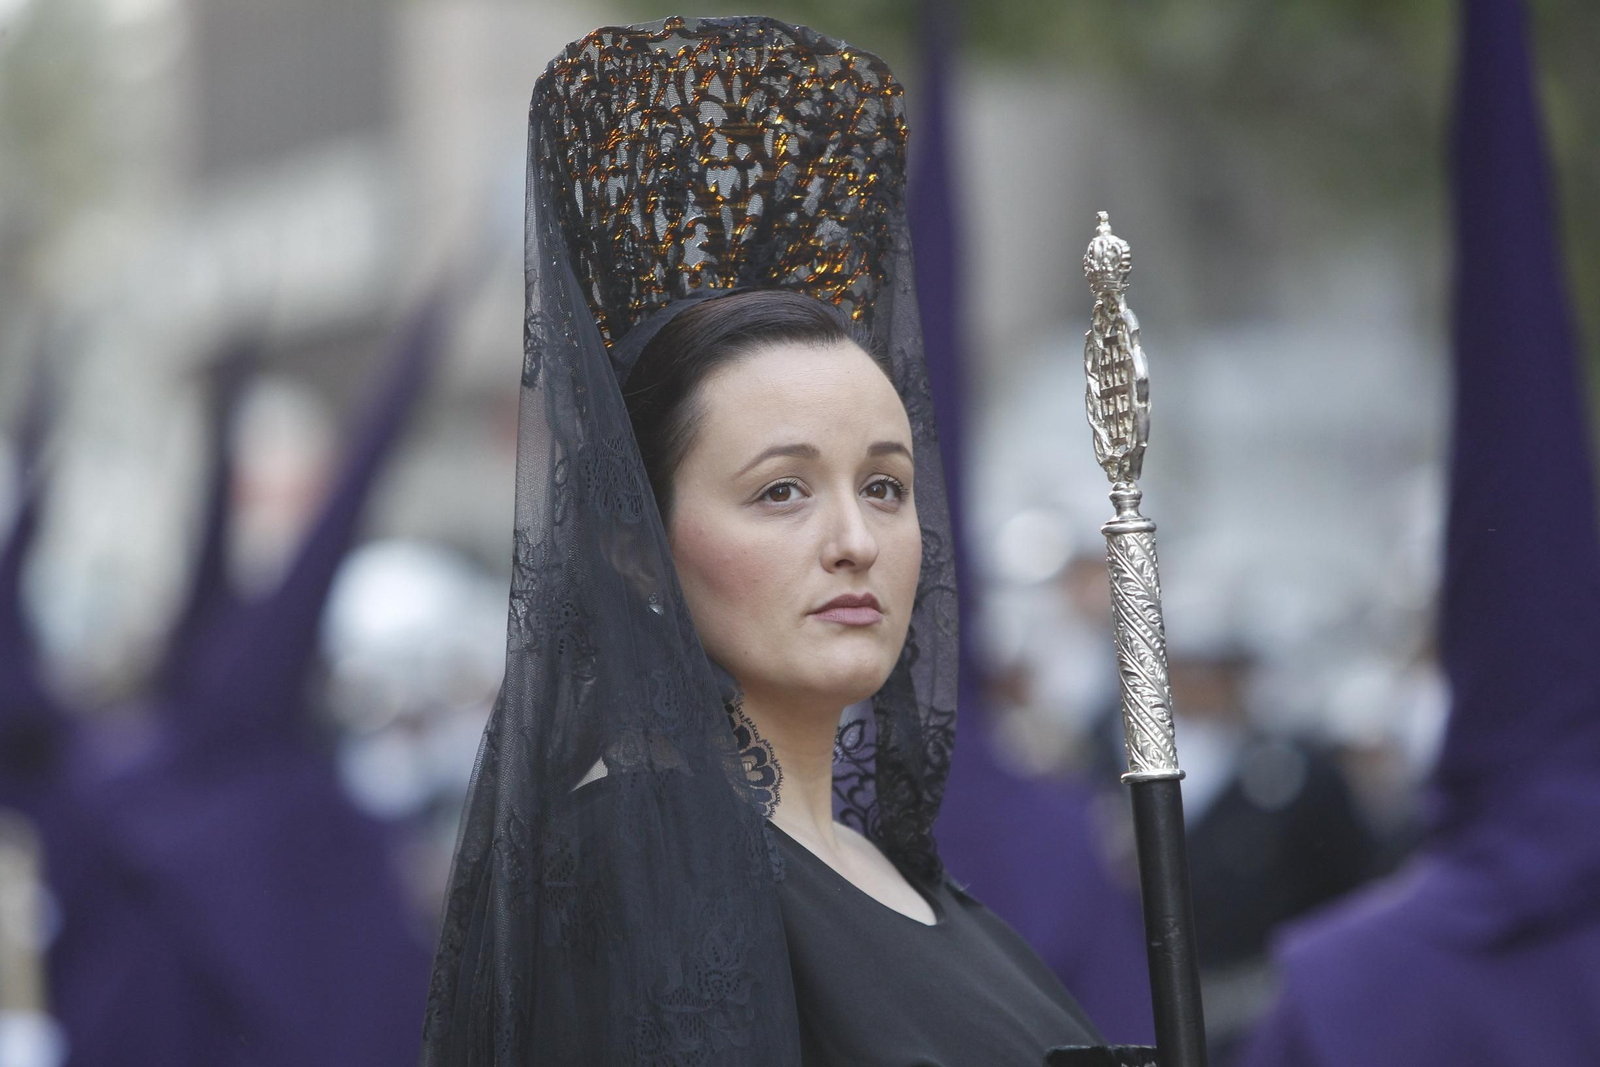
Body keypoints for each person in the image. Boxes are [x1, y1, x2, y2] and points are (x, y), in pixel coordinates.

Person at [420, 17, 1154, 1067]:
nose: (856, 540)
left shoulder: (906, 878)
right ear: (635, 545)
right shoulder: (636, 864)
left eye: (886, 486)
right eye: (780, 491)